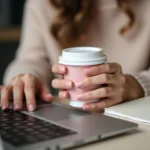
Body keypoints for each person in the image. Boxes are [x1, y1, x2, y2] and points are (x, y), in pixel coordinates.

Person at [0, 0, 150, 112]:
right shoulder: (43, 4)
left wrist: (135, 86)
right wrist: (24, 79)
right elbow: (31, 59)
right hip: (73, 118)